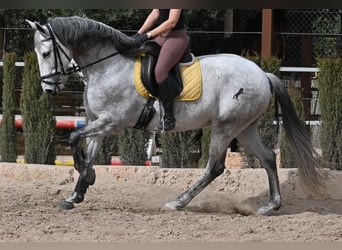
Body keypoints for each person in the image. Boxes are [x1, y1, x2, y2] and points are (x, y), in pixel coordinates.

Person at [133, 9, 189, 131]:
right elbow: (156, 13)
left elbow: (172, 22)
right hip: (161, 36)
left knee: (160, 71)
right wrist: (138, 34)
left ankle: (169, 118)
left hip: (176, 37)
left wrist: (148, 35)